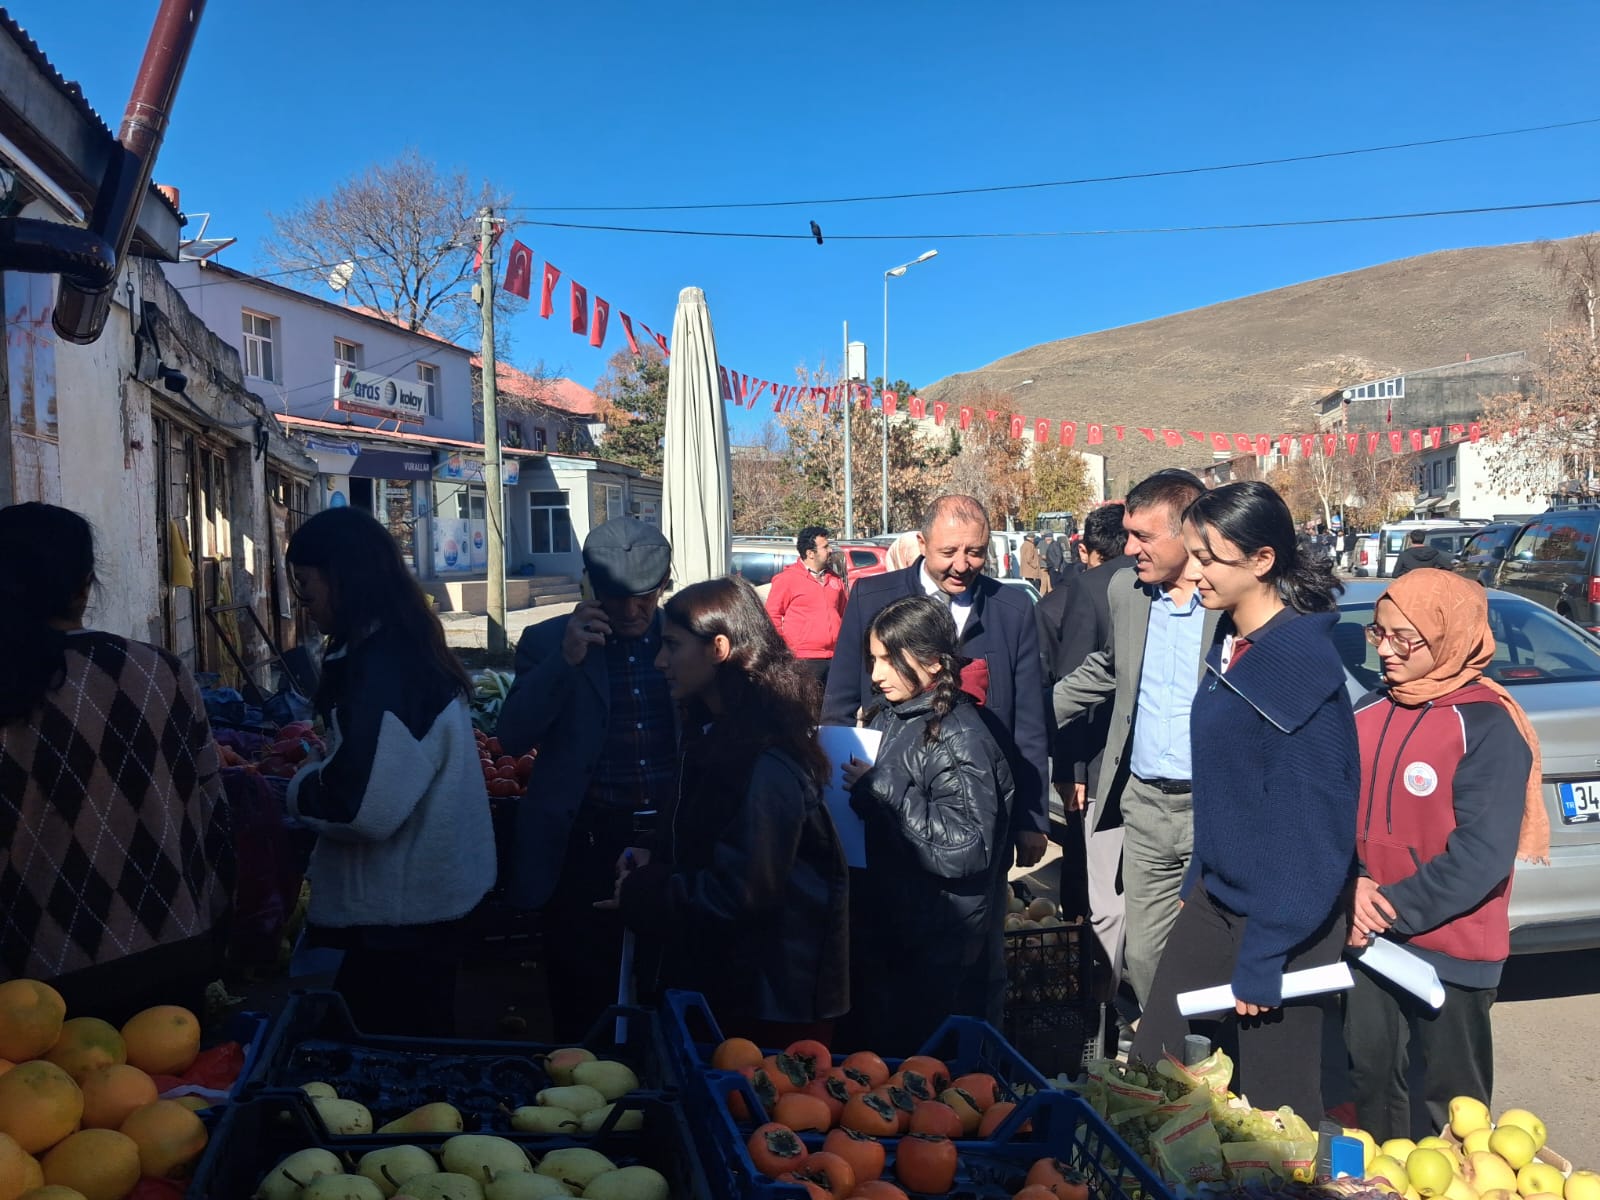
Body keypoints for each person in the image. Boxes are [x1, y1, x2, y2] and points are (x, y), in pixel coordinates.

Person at [1131, 480, 1357, 1116]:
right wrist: (1200, 875)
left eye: (1210, 558)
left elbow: (1315, 827)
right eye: (1193, 553)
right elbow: (1229, 783)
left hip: (1286, 921)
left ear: (1262, 560)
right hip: (1217, 900)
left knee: (1276, 1111)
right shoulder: (1231, 644)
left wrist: (1268, 948)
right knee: (1150, 1075)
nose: (1194, 570)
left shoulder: (1298, 663)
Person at [0, 503, 232, 1023]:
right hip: (174, 958)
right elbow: (213, 815)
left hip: (35, 993)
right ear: (84, 586)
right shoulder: (161, 673)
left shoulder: (13, 682)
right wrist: (216, 933)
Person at [825, 494, 1049, 1029]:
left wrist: (1032, 816)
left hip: (970, 804)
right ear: (922, 543)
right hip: (881, 809)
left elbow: (1029, 720)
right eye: (949, 551)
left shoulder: (1013, 607)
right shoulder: (872, 595)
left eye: (975, 552)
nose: (962, 564)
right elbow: (840, 699)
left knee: (971, 964)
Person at [1345, 569, 1544, 1141]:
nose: (1385, 650)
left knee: (1455, 1108)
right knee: (1372, 1082)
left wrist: (1386, 907)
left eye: (1403, 638)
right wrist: (1351, 885)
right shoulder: (1366, 712)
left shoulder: (1486, 724)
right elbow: (1334, 818)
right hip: (1369, 940)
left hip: (1452, 949)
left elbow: (1481, 855)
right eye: (1378, 633)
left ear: (1450, 636)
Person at [608, 577, 849, 1044]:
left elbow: (741, 892)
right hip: (733, 990)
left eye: (672, 646)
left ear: (718, 648)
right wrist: (655, 851)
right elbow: (708, 834)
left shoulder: (767, 758)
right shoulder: (715, 730)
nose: (659, 662)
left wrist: (644, 891)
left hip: (769, 1009)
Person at [285, 506, 495, 1037]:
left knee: (394, 1051)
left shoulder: (385, 668)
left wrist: (304, 783)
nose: (304, 604)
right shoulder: (392, 648)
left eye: (306, 588)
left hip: (401, 920)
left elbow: (360, 808)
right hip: (418, 906)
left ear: (343, 578)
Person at [497, 517, 677, 1041]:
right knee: (582, 990)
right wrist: (566, 662)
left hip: (669, 836)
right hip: (585, 840)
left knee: (666, 984)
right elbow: (512, 737)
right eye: (616, 599)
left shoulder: (684, 635)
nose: (631, 612)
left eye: (645, 598)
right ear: (591, 587)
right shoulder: (547, 640)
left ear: (664, 585)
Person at [1052, 470, 1218, 1011]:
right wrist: (1031, 719)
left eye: (1142, 537)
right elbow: (1108, 668)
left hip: (1211, 806)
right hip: (1143, 804)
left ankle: (1207, 1051)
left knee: (1211, 952)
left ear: (1188, 533)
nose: (1128, 549)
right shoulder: (1127, 591)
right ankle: (1169, 1050)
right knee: (1145, 957)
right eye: (1127, 534)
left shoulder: (1228, 601)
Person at [843, 595, 1016, 1053]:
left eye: (889, 660)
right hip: (898, 936)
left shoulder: (958, 735)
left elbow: (967, 846)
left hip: (938, 952)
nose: (876, 675)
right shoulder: (897, 715)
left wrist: (883, 791)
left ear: (934, 663)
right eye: (873, 660)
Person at [1036, 503, 1134, 982]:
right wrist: (1071, 768)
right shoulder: (1093, 590)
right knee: (1105, 898)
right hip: (1099, 764)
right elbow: (1076, 682)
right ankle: (1100, 1001)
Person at [766, 525, 847, 686]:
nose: (830, 550)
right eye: (825, 547)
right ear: (810, 553)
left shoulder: (835, 579)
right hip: (803, 659)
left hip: (834, 657)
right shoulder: (788, 579)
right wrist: (785, 646)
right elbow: (771, 615)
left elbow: (844, 613)